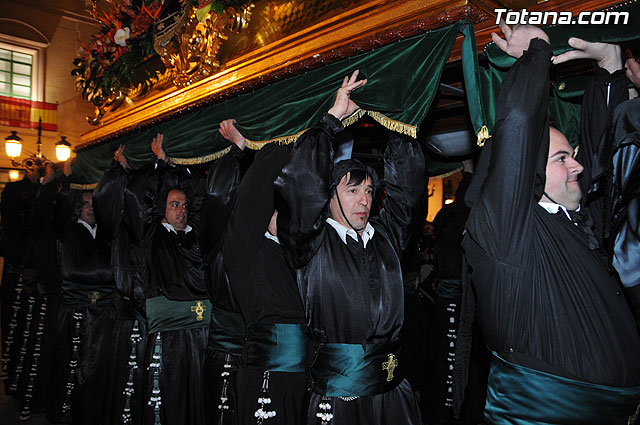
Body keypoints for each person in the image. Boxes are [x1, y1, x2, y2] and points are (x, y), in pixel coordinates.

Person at [458, 22, 640, 424]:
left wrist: (610, 67)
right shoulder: (505, 234)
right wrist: (537, 50)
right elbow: (519, 124)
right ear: (528, 176)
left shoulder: (575, 223)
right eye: (561, 159)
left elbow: (602, 157)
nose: (574, 164)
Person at [275, 70, 425, 424]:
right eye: (352, 190)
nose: (364, 200)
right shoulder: (310, 245)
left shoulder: (386, 237)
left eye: (369, 191)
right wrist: (330, 122)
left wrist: (394, 118)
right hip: (340, 400)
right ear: (327, 199)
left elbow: (409, 191)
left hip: (392, 395)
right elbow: (301, 185)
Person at [219, 120, 308, 424]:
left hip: (301, 376)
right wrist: (271, 146)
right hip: (266, 375)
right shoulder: (245, 254)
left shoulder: (297, 254)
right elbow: (250, 200)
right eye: (278, 208)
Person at [124, 134, 209, 425]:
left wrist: (177, 165)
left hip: (198, 335)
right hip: (168, 336)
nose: (181, 211)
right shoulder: (152, 235)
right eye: (174, 205)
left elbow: (199, 194)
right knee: (168, 394)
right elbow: (139, 198)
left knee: (196, 392)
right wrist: (159, 163)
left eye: (183, 206)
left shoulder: (196, 236)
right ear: (163, 209)